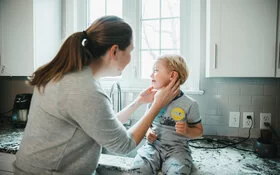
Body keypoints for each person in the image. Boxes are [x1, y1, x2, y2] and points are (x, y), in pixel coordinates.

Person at [13, 16, 180, 175]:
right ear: (114, 51)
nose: (131, 59)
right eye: (130, 51)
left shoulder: (69, 76)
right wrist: (157, 105)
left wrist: (138, 102)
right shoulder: (86, 89)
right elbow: (123, 144)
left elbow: (103, 125)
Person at [130, 54, 203, 175]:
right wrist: (148, 132)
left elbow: (199, 131)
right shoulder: (153, 99)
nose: (151, 75)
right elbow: (147, 124)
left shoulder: (190, 104)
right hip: (152, 147)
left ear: (172, 75)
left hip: (178, 150)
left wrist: (187, 130)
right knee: (137, 170)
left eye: (155, 70)